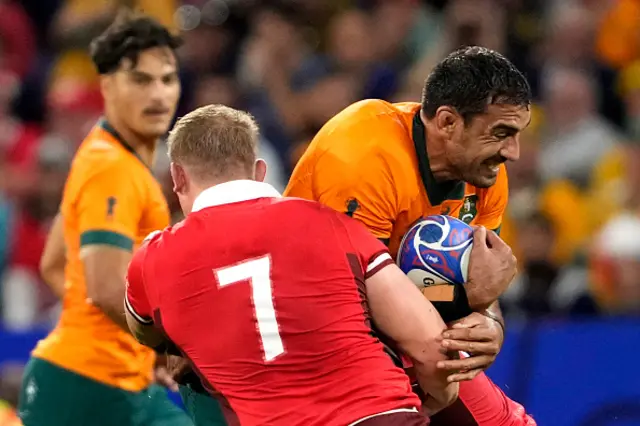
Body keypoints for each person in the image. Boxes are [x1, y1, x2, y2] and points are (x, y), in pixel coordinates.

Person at [124, 104, 460, 426]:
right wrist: (435, 400)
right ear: (259, 171)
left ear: (177, 177)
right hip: (379, 416)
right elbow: (431, 346)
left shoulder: (152, 259)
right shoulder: (331, 223)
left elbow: (144, 331)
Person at [285, 46, 536, 425]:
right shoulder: (365, 156)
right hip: (311, 337)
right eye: (501, 133)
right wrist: (465, 298)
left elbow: (482, 284)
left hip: (405, 337)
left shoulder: (484, 173)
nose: (513, 153)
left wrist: (489, 324)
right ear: (448, 122)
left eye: (516, 134)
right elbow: (351, 303)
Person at [18, 12, 194, 426]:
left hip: (82, 378)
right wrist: (164, 348)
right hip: (93, 385)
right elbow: (103, 285)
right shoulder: (112, 168)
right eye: (140, 80)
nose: (158, 95)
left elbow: (54, 263)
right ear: (108, 86)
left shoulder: (98, 152)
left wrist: (126, 347)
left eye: (166, 79)